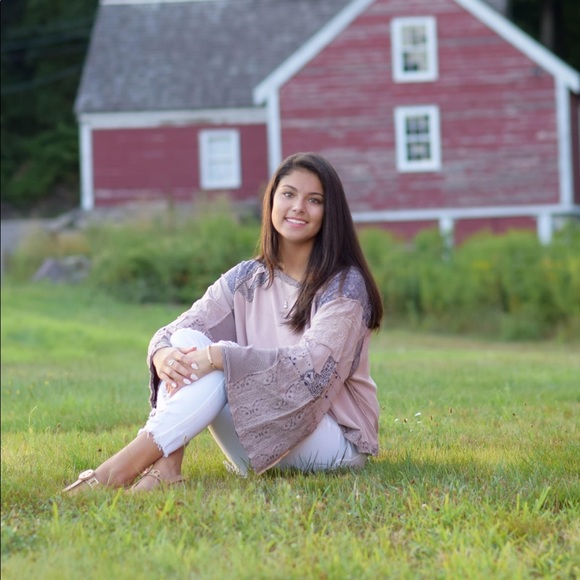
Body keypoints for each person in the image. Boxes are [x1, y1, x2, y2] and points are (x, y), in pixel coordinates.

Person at [63, 152, 383, 493]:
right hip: (257, 436)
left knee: (220, 359)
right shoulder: (247, 278)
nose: (298, 207)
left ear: (330, 213)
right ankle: (167, 467)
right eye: (288, 194)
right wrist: (162, 354)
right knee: (187, 341)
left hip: (330, 442)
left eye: (314, 200)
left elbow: (312, 369)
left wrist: (219, 357)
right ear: (271, 201)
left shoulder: (344, 286)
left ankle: (116, 471)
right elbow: (178, 330)